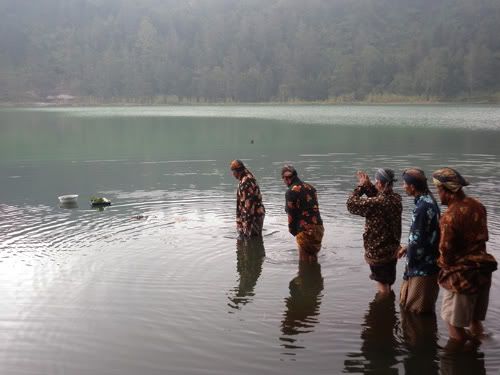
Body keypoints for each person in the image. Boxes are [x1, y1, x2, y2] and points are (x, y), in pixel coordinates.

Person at [432, 167, 497, 346]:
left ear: (448, 191)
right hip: (483, 271)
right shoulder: (477, 205)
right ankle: (477, 350)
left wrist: (439, 265)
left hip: (463, 277)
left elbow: (446, 253)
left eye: (439, 190)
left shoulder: (449, 217)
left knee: (454, 326)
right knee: (475, 321)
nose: (439, 195)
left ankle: (462, 360)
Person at [346, 169, 402, 295]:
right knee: (387, 281)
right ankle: (389, 308)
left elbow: (351, 204)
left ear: (381, 184)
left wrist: (360, 186)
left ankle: (382, 308)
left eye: (376, 183)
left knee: (382, 284)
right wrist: (368, 185)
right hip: (391, 249)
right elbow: (379, 197)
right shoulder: (396, 198)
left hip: (378, 251)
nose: (375, 185)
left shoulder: (378, 203)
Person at [398, 168, 440, 314]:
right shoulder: (428, 200)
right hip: (424, 264)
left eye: (404, 184)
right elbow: (423, 235)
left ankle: (420, 337)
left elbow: (419, 241)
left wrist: (410, 254)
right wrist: (408, 247)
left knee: (417, 312)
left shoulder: (422, 207)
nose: (403, 186)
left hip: (422, 268)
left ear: (412, 186)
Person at [281, 165, 324, 262]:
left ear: (286, 179)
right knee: (313, 258)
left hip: (305, 230)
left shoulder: (291, 192)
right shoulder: (310, 187)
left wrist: (293, 231)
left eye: (283, 179)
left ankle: (306, 276)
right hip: (319, 227)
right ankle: (315, 276)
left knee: (304, 262)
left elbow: (291, 214)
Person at [230, 160, 265, 239]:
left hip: (253, 217)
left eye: (233, 172)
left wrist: (246, 225)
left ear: (237, 171)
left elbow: (249, 206)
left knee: (251, 240)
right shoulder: (246, 178)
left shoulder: (246, 181)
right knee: (252, 239)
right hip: (254, 215)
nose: (232, 174)